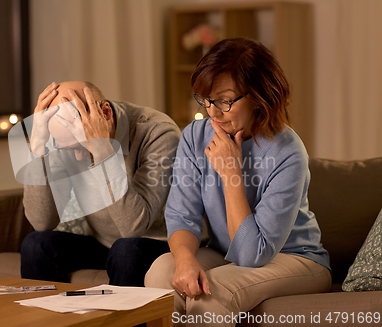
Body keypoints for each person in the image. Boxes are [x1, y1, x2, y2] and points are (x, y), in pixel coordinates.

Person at [144, 38, 331, 326]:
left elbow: (251, 254)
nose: (212, 112)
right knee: (160, 272)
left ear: (258, 95)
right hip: (226, 255)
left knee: (212, 292)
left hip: (294, 258)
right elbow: (182, 215)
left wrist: (231, 173)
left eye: (224, 100)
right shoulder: (195, 136)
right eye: (205, 99)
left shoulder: (288, 152)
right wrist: (184, 261)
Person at [17, 80, 180, 287]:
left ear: (106, 114)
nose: (77, 158)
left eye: (81, 146)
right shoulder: (64, 137)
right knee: (35, 244)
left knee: (126, 251)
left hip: (158, 245)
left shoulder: (157, 132)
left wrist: (102, 151)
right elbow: (42, 222)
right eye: (68, 148)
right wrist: (38, 147)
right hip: (106, 245)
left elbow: (133, 228)